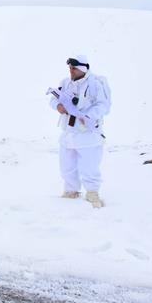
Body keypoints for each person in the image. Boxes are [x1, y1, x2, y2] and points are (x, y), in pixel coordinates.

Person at [48, 55, 111, 208]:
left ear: (83, 69)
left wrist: (89, 116)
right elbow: (54, 98)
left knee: (89, 166)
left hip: (87, 133)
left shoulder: (95, 84)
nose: (71, 70)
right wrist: (58, 106)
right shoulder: (66, 83)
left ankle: (92, 192)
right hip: (68, 133)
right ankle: (71, 191)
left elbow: (103, 105)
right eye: (70, 68)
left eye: (74, 68)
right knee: (66, 165)